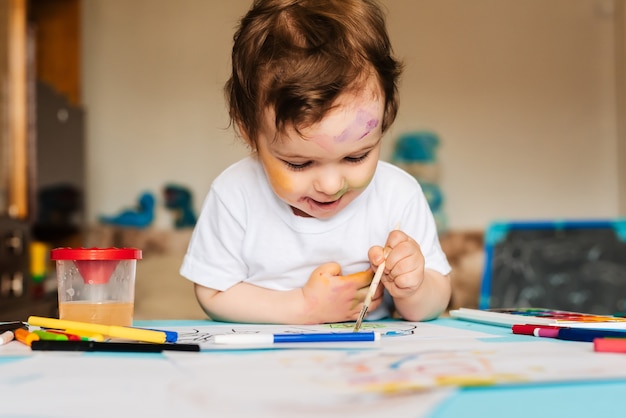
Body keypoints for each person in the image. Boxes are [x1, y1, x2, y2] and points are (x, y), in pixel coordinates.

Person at [180, 0, 452, 324]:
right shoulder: (234, 194)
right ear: (249, 130)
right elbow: (213, 293)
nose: (331, 185)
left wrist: (415, 288)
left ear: (385, 120)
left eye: (356, 156)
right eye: (299, 164)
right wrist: (304, 307)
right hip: (267, 367)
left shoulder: (398, 194)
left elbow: (436, 300)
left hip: (369, 368)